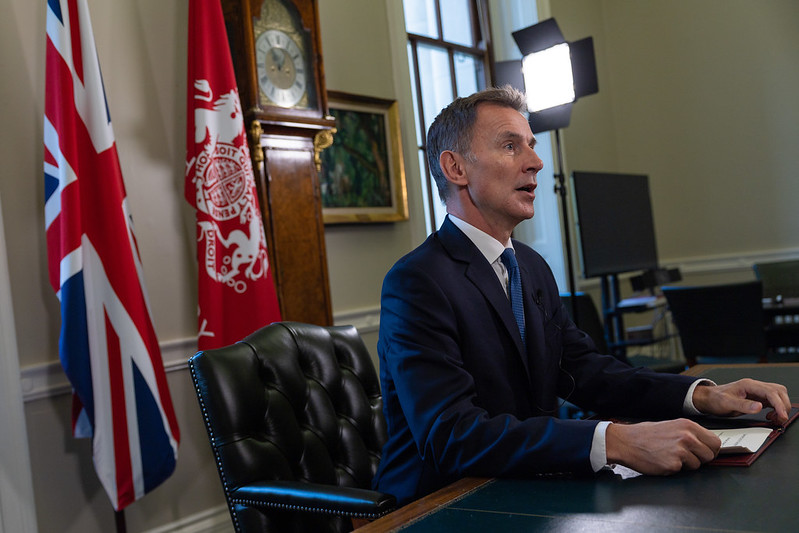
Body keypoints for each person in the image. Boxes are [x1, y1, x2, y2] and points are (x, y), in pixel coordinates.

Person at [372, 86, 791, 506]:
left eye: (532, 147)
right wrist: (616, 441)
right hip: (439, 505)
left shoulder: (530, 266)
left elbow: (585, 371)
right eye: (510, 146)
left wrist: (701, 395)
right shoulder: (416, 282)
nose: (536, 162)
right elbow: (452, 436)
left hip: (526, 488)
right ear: (456, 168)